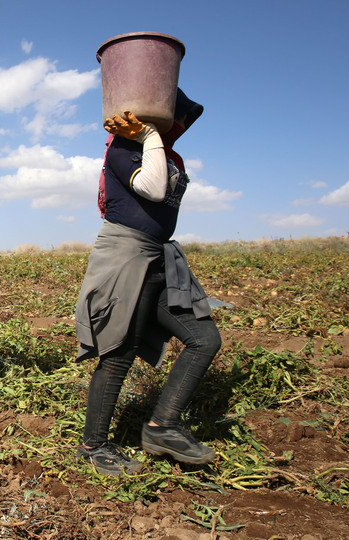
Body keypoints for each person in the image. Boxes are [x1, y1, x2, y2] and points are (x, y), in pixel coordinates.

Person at [74, 89, 221, 476]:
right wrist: (150, 138)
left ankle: (162, 426)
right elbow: (152, 190)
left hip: (157, 257)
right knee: (118, 353)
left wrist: (156, 144)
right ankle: (94, 446)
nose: (182, 126)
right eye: (176, 118)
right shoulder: (123, 150)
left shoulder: (166, 156)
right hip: (126, 256)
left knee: (204, 339)